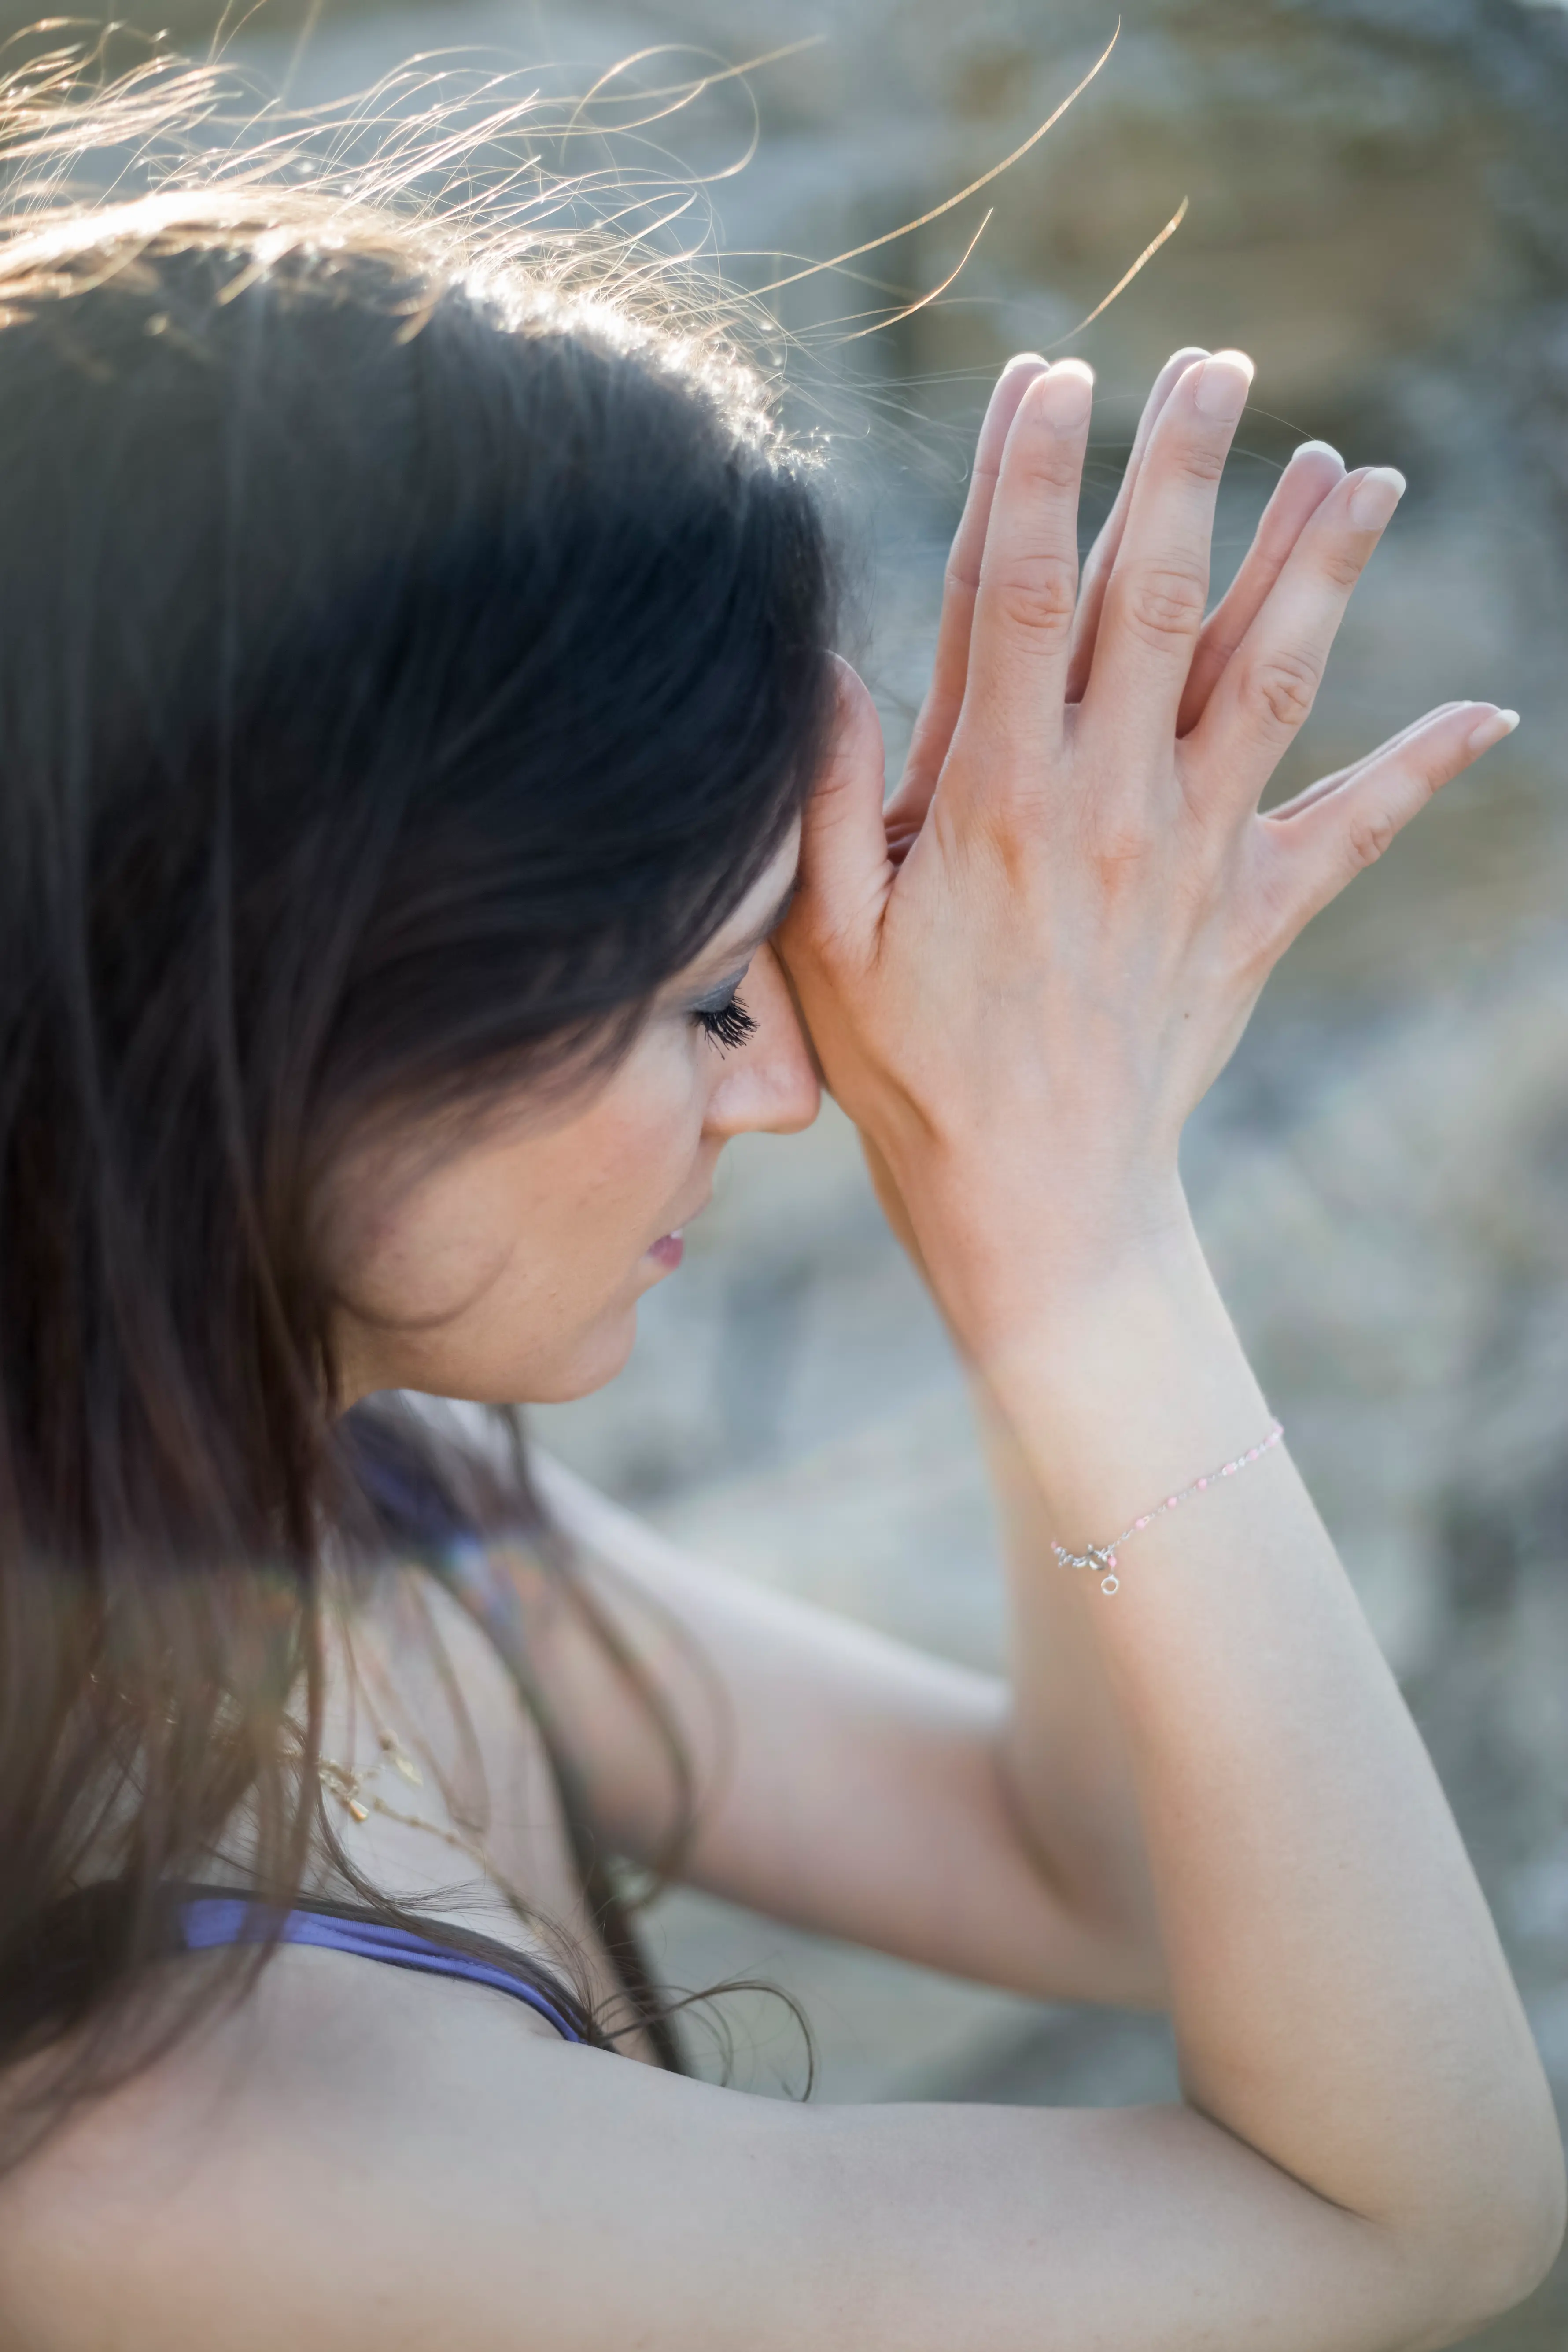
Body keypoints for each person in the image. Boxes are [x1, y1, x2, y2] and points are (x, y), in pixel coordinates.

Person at [0, 57, 1560, 2352]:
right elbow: (1404, 2225)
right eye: (705, 992)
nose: (796, 1082)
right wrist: (1079, 1226)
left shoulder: (334, 1518)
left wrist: (1033, 1219)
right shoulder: (177, 2144)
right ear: (304, 998)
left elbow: (1085, 1868)